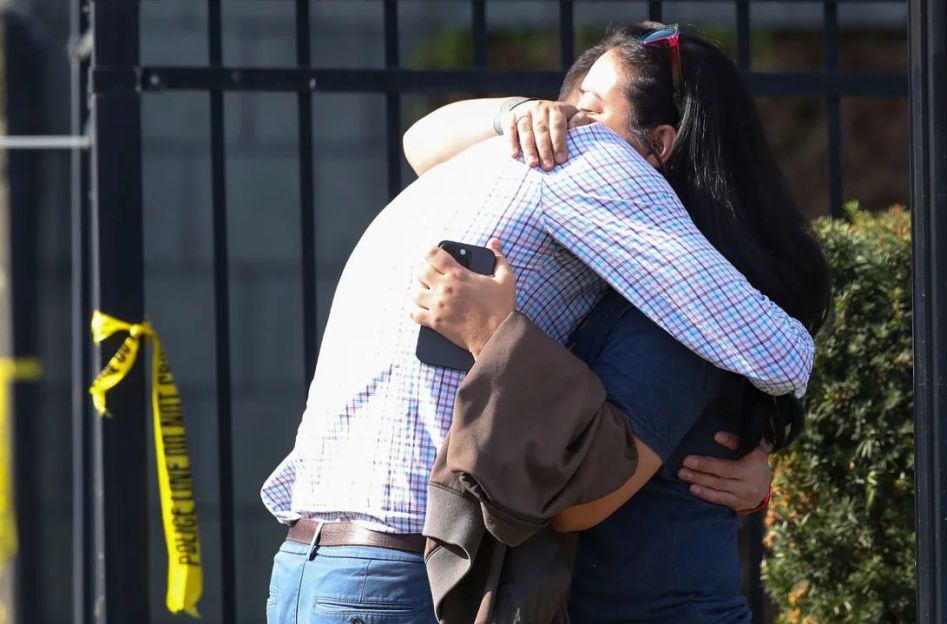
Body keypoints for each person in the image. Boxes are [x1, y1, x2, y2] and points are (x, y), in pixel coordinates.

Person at [263, 21, 816, 624]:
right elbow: (780, 353)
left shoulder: (487, 163)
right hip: (402, 567)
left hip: (309, 559)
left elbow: (418, 140)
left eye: (590, 108)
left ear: (660, 144)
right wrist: (492, 334)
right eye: (566, 106)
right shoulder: (591, 154)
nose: (567, 119)